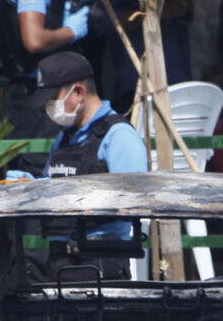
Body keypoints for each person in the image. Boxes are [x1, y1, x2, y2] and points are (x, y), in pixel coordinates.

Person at [15, 51, 148, 281]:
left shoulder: (119, 137)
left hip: (100, 266)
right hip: (59, 264)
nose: (49, 107)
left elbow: (134, 201)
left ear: (78, 92)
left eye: (53, 98)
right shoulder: (64, 138)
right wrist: (30, 187)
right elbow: (52, 185)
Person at [0, 0, 93, 176]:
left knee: (23, 168)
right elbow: (34, 40)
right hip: (39, 93)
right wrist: (71, 31)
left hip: (22, 90)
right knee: (39, 167)